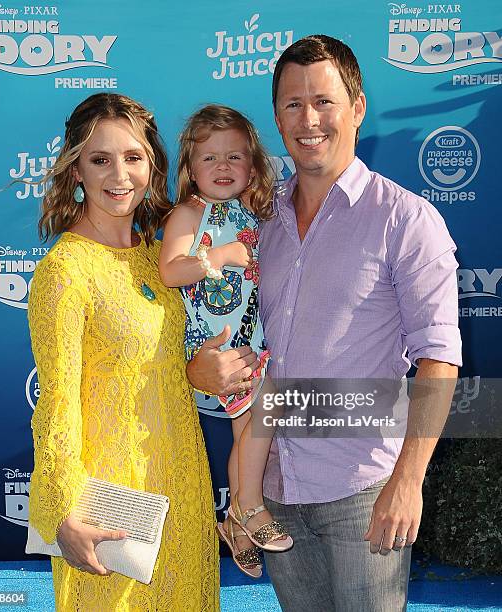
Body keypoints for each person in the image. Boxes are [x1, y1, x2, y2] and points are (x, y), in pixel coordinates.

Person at [187, 35, 462, 611]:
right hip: (278, 490)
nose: (308, 119)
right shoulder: (257, 223)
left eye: (324, 102)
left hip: (362, 491)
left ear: (357, 108)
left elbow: (440, 358)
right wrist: (201, 368)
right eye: (292, 104)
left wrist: (407, 481)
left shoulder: (406, 221)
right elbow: (216, 318)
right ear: (276, 116)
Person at [27, 93, 219, 611]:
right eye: (100, 159)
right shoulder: (64, 271)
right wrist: (63, 512)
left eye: (133, 157)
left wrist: (198, 372)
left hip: (181, 479)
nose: (120, 174)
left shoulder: (161, 258)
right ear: (76, 172)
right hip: (110, 504)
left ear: (152, 167)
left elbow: (155, 366)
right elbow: (57, 402)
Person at [159, 105, 292, 579]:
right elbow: (171, 270)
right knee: (257, 424)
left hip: (249, 340)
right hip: (215, 346)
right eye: (209, 158)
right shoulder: (187, 214)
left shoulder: (252, 214)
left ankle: (236, 522)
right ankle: (249, 511)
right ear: (190, 169)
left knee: (251, 431)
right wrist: (220, 254)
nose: (222, 167)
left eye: (234, 158)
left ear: (253, 167)